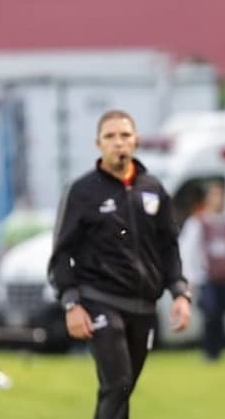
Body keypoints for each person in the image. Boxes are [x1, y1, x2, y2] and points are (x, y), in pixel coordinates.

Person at [48, 109, 192, 419]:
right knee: (118, 384)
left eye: (125, 135)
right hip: (100, 302)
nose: (118, 142)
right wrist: (71, 303)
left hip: (143, 308)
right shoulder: (82, 191)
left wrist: (180, 292)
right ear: (98, 144)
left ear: (136, 141)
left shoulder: (153, 189)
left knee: (122, 389)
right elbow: (60, 255)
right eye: (110, 136)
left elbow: (169, 247)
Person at [178, 181, 225, 361]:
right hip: (206, 278)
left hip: (224, 278)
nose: (218, 200)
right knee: (210, 313)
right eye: (214, 196)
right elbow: (188, 251)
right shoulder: (198, 223)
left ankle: (219, 350)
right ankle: (209, 351)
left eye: (220, 196)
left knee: (221, 315)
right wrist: (189, 278)